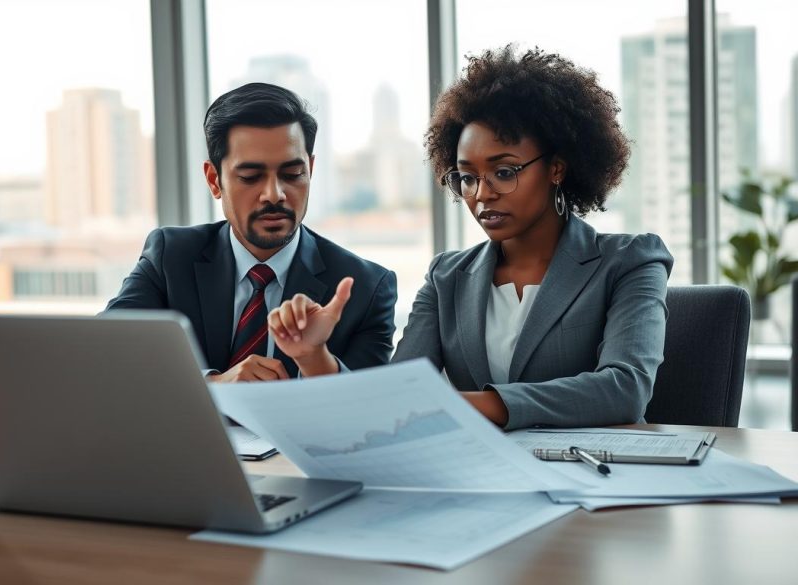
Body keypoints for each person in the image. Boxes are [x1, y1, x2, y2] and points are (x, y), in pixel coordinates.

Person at [268, 46, 673, 430]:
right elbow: (396, 393)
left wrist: (459, 406)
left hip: (597, 477)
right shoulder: (447, 276)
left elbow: (624, 390)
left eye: (504, 171)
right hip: (479, 475)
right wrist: (313, 356)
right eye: (467, 176)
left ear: (557, 169)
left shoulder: (629, 261)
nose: (482, 193)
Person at [104, 82, 397, 383]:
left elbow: (366, 412)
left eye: (293, 174)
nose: (274, 194)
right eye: (250, 177)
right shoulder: (171, 256)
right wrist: (213, 385)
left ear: (310, 169)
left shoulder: (366, 288)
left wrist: (314, 359)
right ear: (214, 180)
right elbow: (103, 354)